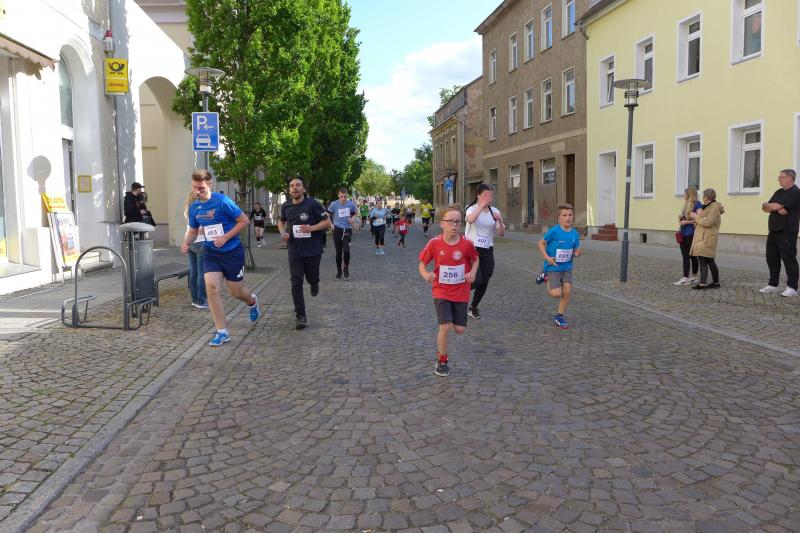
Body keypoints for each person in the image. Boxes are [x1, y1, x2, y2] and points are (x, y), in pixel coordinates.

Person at [181, 170, 261, 346]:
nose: (198, 191)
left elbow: (244, 221)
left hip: (232, 253)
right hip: (211, 253)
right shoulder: (194, 207)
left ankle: (252, 301)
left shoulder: (223, 201)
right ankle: (222, 332)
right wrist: (186, 243)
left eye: (201, 188)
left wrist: (225, 237)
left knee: (236, 292)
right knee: (211, 287)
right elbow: (193, 231)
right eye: (195, 187)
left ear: (210, 185)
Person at [419, 205, 479, 377]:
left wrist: (472, 273)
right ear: (442, 223)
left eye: (458, 222)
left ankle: (452, 320)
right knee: (444, 327)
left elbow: (475, 260)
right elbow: (422, 264)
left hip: (461, 290)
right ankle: (442, 360)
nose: (454, 225)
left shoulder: (467, 243)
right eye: (450, 221)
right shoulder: (434, 243)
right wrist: (426, 275)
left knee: (460, 329)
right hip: (441, 290)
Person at [278, 177, 331, 329]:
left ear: (303, 189)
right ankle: (300, 316)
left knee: (312, 277)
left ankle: (314, 283)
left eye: (298, 185)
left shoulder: (313, 204)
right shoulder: (286, 206)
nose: (295, 188)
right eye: (292, 186)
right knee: (296, 282)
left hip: (312, 250)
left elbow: (326, 222)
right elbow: (281, 222)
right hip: (295, 251)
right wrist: (283, 233)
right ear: (289, 190)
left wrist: (311, 228)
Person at [536, 204, 581, 329]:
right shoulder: (554, 231)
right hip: (553, 266)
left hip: (567, 267)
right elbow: (541, 243)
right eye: (564, 215)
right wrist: (547, 258)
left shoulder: (575, 233)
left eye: (570, 215)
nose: (568, 218)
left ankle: (559, 317)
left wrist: (577, 253)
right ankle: (545, 276)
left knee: (567, 291)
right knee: (556, 294)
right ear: (559, 218)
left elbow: (577, 249)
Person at [464, 184, 505, 319]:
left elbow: (501, 233)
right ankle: (458, 290)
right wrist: (481, 207)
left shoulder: (494, 211)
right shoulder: (471, 208)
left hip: (487, 249)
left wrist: (499, 220)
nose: (489, 197)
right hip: (472, 248)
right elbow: (470, 220)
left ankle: (473, 307)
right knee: (477, 280)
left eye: (490, 195)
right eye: (486, 195)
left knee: (485, 279)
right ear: (478, 195)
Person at [759, 169, 800, 297]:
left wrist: (774, 206)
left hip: (787, 231)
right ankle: (773, 284)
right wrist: (772, 206)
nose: (778, 179)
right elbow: (765, 208)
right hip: (774, 230)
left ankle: (792, 287)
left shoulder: (795, 192)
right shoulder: (779, 192)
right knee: (771, 258)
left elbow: (773, 207)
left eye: (781, 177)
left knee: (789, 258)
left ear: (790, 178)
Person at [689, 188, 724, 290]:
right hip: (704, 236)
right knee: (709, 260)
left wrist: (696, 217)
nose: (702, 197)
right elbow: (704, 220)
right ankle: (715, 282)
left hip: (707, 238)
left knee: (703, 259)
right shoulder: (709, 206)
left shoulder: (714, 207)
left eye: (703, 196)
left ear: (706, 197)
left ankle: (703, 284)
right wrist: (697, 219)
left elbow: (708, 222)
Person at [183, 191, 207, 309]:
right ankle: (201, 301)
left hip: (189, 241)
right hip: (200, 242)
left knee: (193, 272)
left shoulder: (187, 209)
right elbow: (200, 230)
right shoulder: (199, 209)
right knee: (201, 272)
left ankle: (194, 299)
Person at [328, 187, 358, 280]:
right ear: (338, 195)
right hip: (337, 230)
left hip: (347, 230)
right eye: (341, 196)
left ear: (347, 195)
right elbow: (327, 215)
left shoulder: (351, 204)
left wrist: (353, 218)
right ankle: (339, 271)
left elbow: (355, 213)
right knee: (338, 253)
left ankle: (346, 269)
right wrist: (331, 225)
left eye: (345, 196)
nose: (343, 198)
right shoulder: (334, 204)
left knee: (346, 251)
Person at [674, 188, 702, 285]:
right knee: (687, 256)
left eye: (685, 194)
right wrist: (681, 218)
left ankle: (689, 277)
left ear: (689, 194)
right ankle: (690, 277)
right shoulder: (686, 204)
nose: (683, 195)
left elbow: (700, 218)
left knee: (690, 256)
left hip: (691, 233)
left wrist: (687, 222)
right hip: (683, 233)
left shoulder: (697, 204)